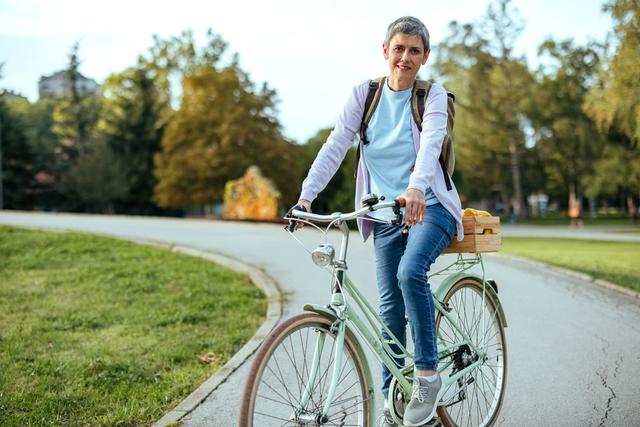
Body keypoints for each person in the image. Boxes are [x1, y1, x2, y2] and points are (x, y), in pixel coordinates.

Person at [295, 16, 463, 427]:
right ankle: (392, 399)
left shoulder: (433, 97)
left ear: (425, 58)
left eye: (414, 51)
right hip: (384, 213)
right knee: (389, 309)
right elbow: (336, 144)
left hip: (430, 207)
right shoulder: (364, 95)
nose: (405, 57)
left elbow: (430, 146)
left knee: (411, 274)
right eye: (399, 48)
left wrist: (418, 188)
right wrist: (306, 195)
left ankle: (426, 376)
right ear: (384, 51)